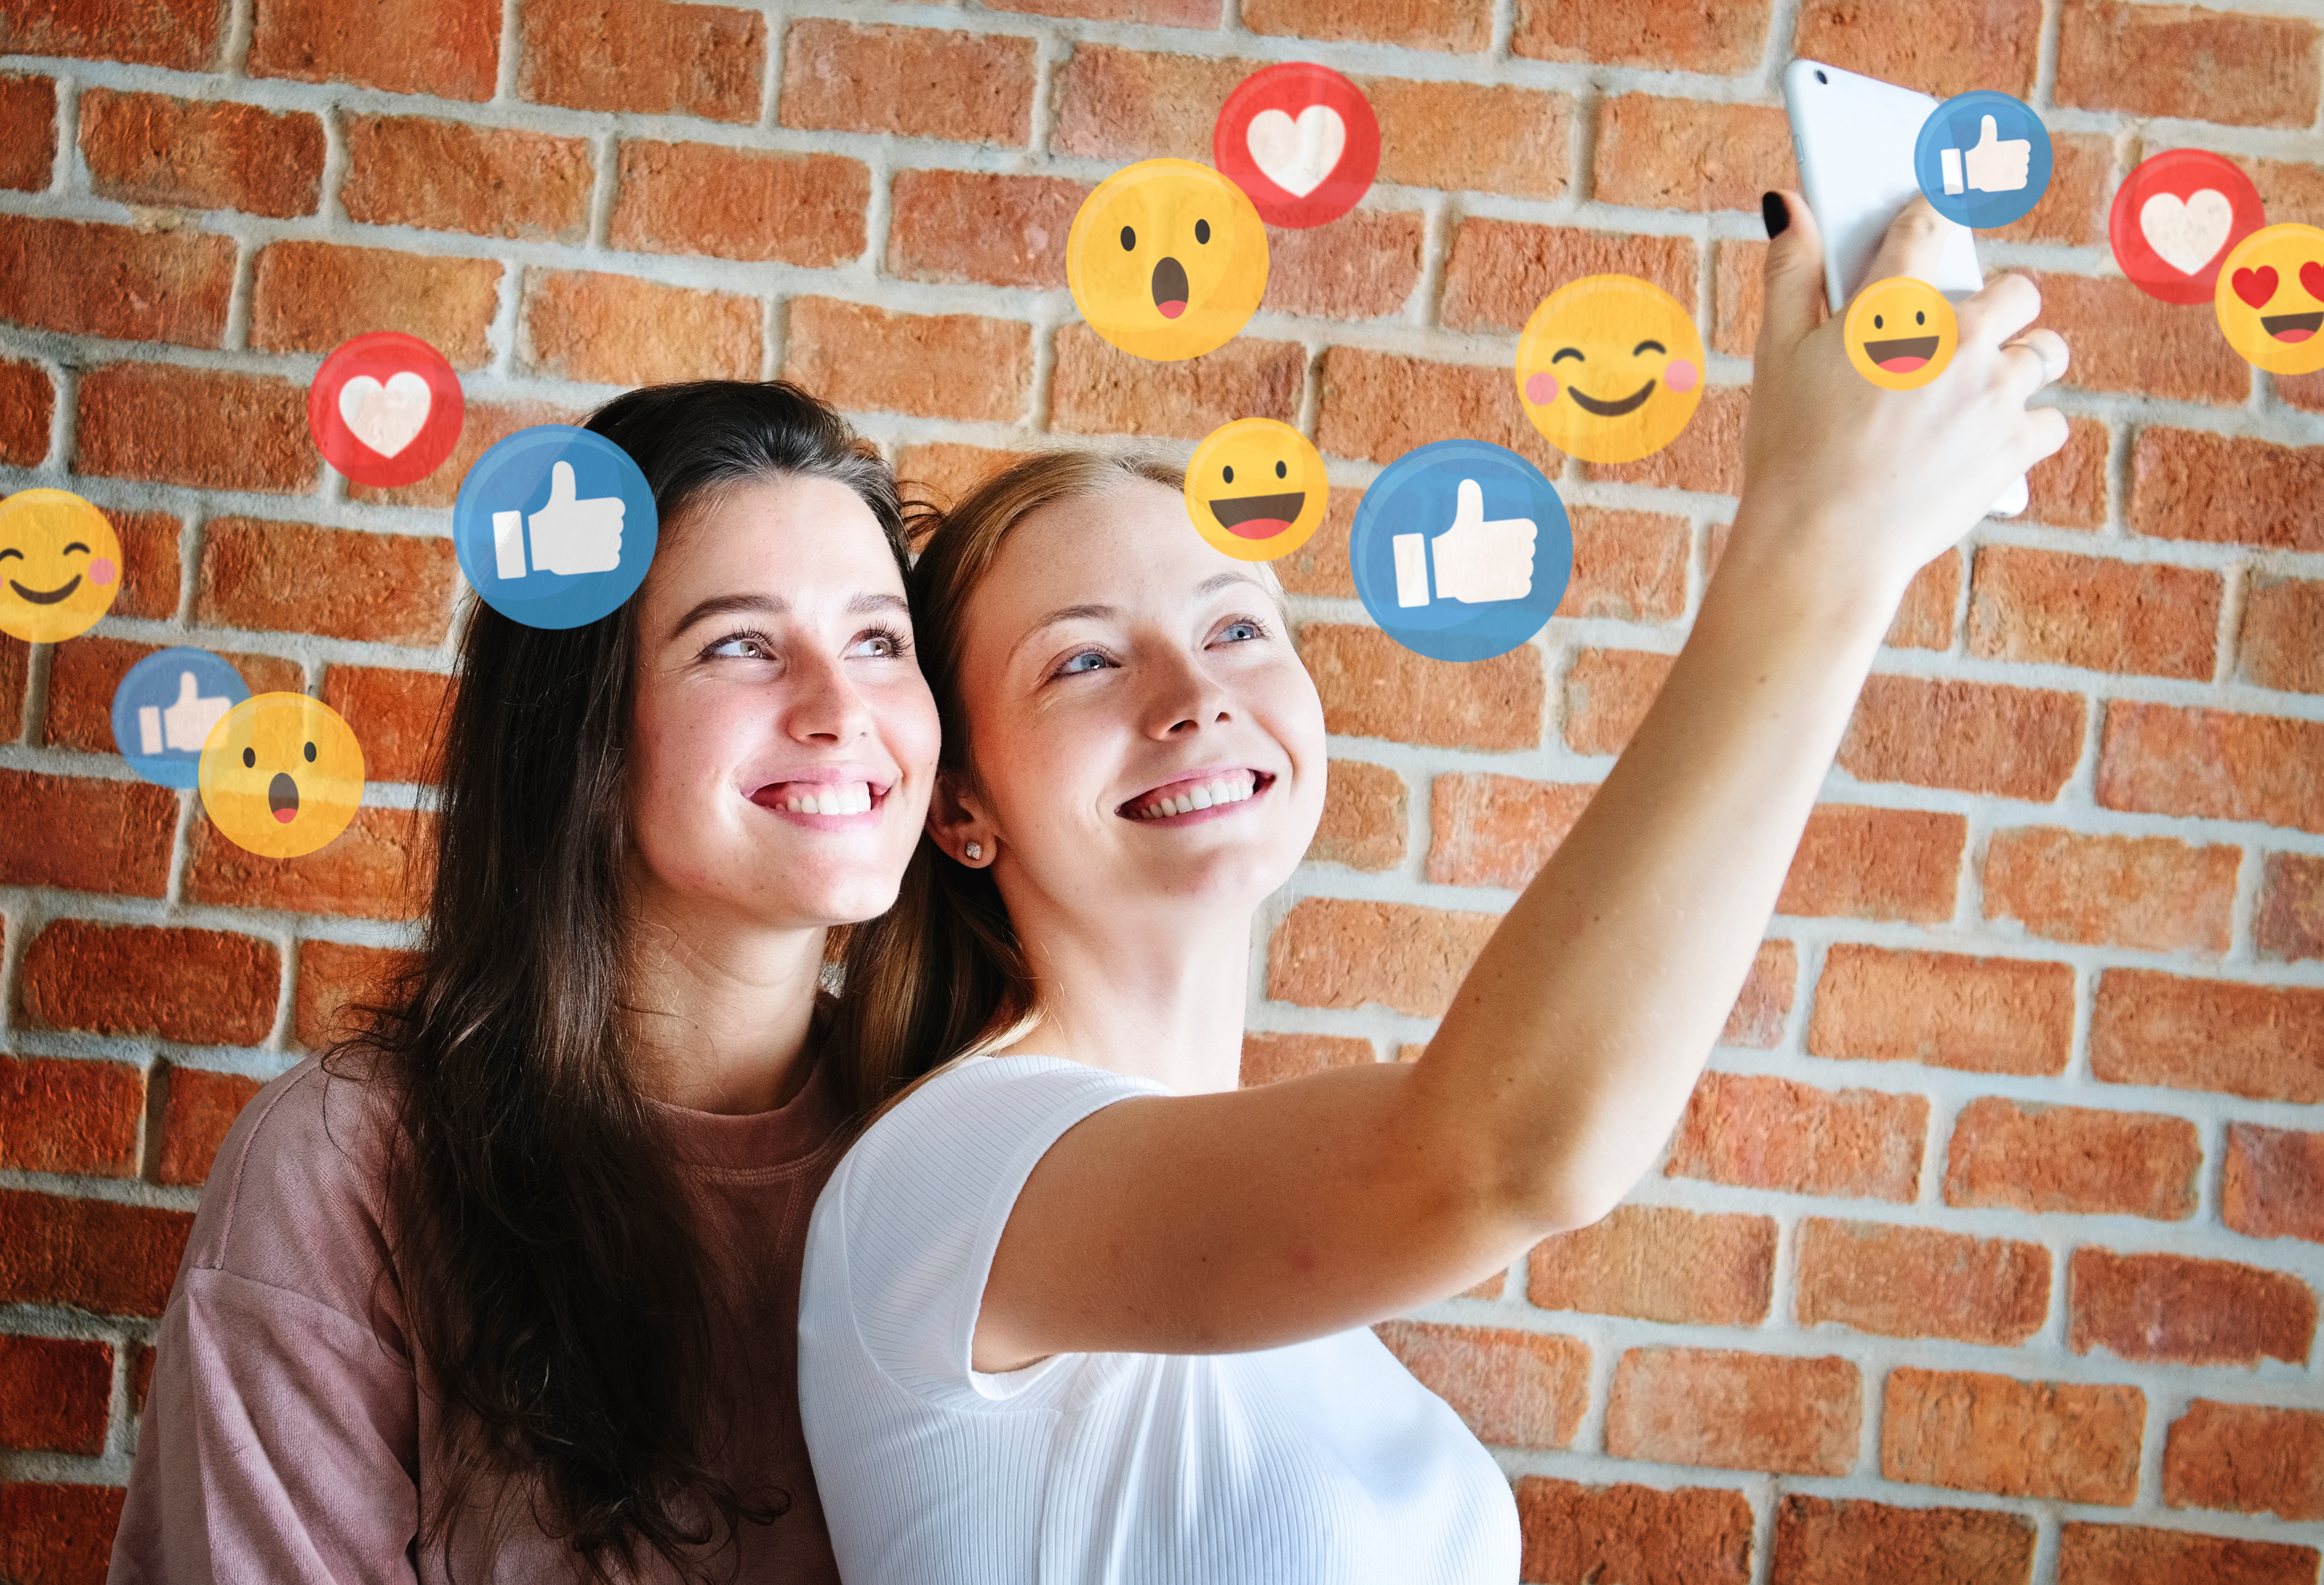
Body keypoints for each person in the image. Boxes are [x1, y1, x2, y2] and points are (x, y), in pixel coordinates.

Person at [798, 190, 2071, 1583]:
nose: (1195, 698)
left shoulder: (1282, 1253)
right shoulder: (940, 1180)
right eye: (1083, 661)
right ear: (962, 804)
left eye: (1233, 625)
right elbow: (1507, 1151)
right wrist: (1825, 537)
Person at [111, 382, 942, 1585]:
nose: (841, 706)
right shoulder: (347, 1166)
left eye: (879, 639)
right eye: (740, 645)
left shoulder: (956, 1132)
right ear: (585, 726)